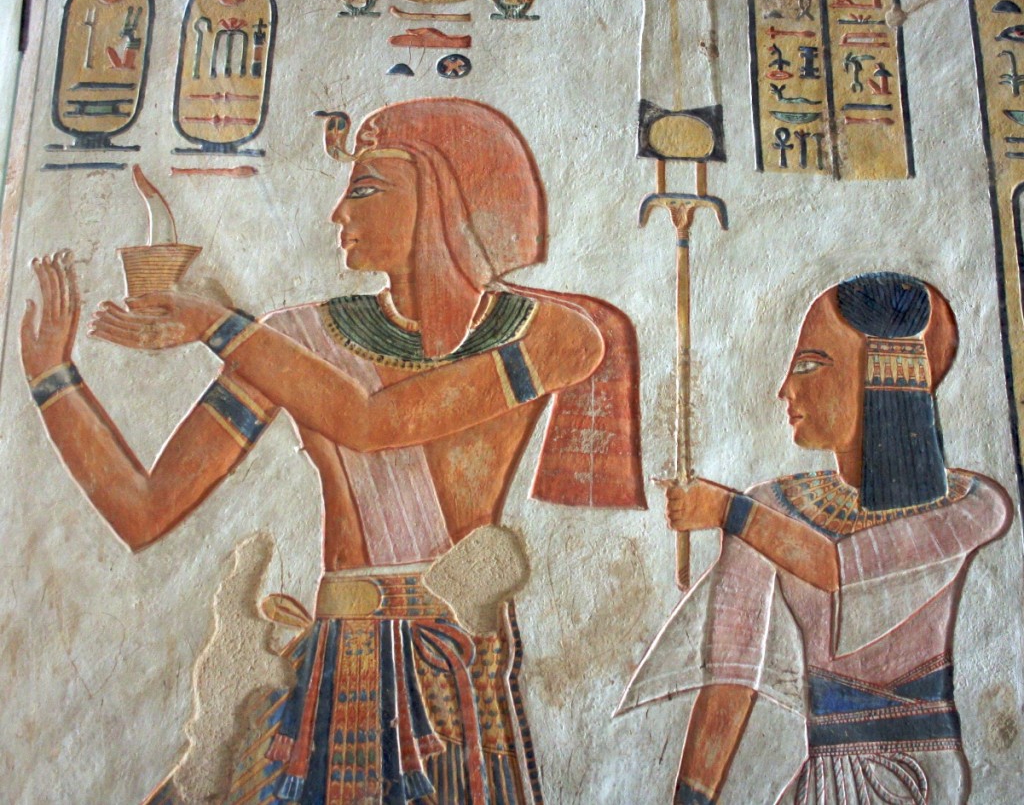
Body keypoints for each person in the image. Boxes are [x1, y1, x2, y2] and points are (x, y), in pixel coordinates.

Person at [21, 98, 645, 805]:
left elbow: (374, 422)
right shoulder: (294, 338)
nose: (338, 213)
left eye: (366, 190)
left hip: (451, 664)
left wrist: (223, 329)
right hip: (338, 664)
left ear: (442, 201)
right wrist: (52, 377)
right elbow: (144, 509)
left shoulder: (553, 335)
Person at [618, 272, 1013, 805]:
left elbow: (838, 570)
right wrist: (692, 798)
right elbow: (730, 678)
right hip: (821, 771)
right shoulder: (772, 508)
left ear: (882, 377)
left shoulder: (971, 504)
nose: (786, 389)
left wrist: (729, 511)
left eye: (809, 365)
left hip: (910, 773)